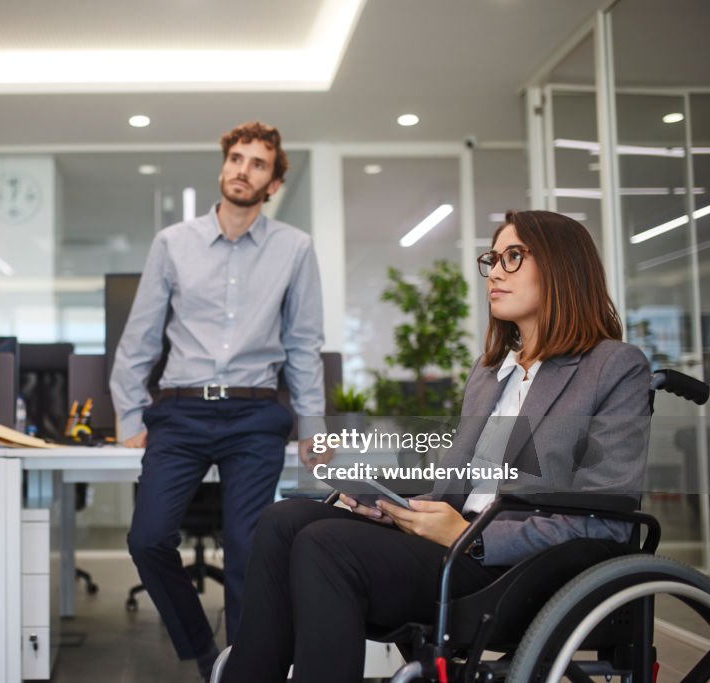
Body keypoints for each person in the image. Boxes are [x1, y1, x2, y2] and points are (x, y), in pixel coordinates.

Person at [220, 210, 652, 683]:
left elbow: (606, 522)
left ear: (563, 267)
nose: (497, 273)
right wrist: (399, 509)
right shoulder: (490, 373)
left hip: (516, 567)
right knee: (283, 520)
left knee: (326, 544)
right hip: (458, 540)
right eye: (494, 259)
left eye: (515, 257)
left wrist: (476, 537)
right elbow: (458, 491)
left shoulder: (613, 367)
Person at [110, 121, 328, 681]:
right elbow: (140, 336)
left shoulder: (295, 249)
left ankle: (243, 670)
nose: (242, 169)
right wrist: (130, 413)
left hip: (255, 414)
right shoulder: (173, 243)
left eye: (258, 163)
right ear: (222, 165)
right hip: (179, 412)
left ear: (273, 183)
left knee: (249, 551)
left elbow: (304, 345)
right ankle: (208, 654)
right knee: (148, 537)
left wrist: (313, 426)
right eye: (236, 157)